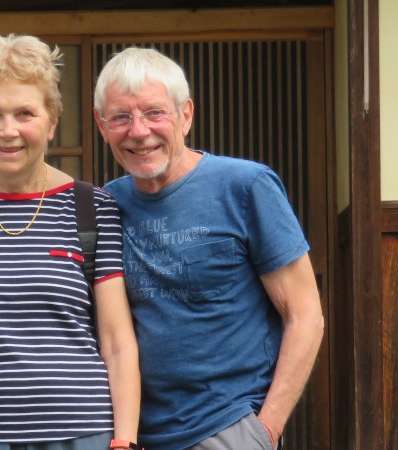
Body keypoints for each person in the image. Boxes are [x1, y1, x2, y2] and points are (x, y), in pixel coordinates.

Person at [0, 34, 141, 450]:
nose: (8, 131)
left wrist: (124, 442)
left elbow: (117, 343)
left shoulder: (93, 209)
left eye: (25, 113)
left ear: (51, 122)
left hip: (79, 434)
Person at [94, 46, 325, 450]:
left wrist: (265, 430)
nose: (138, 131)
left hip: (227, 428)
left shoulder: (245, 186)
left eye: (154, 112)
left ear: (186, 115)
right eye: (121, 117)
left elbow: (305, 315)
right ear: (102, 125)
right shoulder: (106, 204)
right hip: (135, 435)